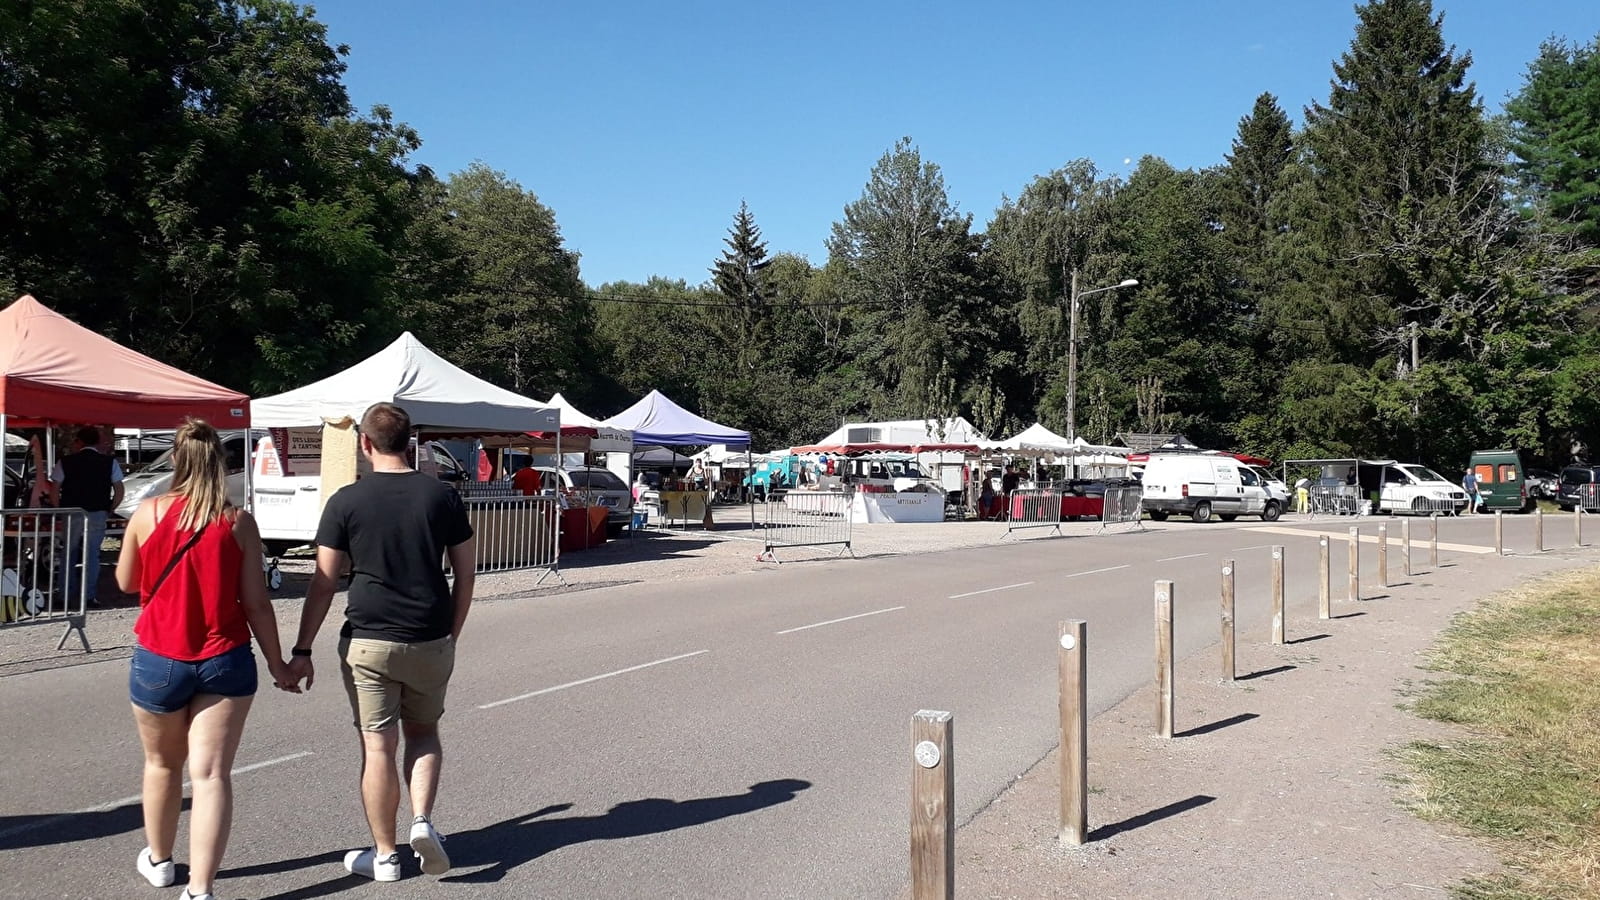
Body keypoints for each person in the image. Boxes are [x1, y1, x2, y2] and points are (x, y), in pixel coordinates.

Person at [286, 403, 475, 883]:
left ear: (364, 444)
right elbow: (466, 572)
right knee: (424, 732)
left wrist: (302, 649)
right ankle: (422, 821)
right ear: (410, 442)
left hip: (368, 638)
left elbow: (324, 581)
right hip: (429, 633)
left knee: (377, 747)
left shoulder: (345, 501)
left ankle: (386, 854)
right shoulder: (442, 496)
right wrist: (452, 630)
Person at [115, 420, 295, 900]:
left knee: (160, 765)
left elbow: (127, 582)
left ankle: (158, 860)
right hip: (225, 656)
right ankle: (200, 889)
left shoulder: (148, 513)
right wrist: (278, 663)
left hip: (158, 654)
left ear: (175, 460)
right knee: (212, 774)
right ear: (220, 463)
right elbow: (256, 602)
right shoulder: (237, 522)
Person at [51, 426, 125, 606]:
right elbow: (119, 490)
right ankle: (89, 596)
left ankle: (64, 596)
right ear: (97, 442)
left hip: (71, 511)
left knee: (69, 553)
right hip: (98, 511)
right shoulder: (109, 462)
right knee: (93, 555)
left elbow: (55, 489)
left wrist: (58, 508)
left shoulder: (65, 462)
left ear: (79, 442)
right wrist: (110, 507)